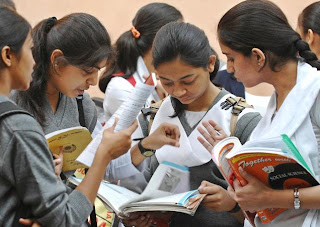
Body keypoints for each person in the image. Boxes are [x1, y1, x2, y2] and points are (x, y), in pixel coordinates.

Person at [0, 5, 138, 227]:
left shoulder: (84, 107)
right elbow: (63, 218)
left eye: (98, 72)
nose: (93, 81)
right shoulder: (15, 117)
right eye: (87, 71)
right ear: (57, 60)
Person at [126, 21, 262, 227]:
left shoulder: (241, 120)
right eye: (167, 82)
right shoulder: (152, 117)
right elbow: (132, 187)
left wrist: (232, 205)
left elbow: (270, 209)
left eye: (187, 81)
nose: (178, 91)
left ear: (210, 63)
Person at [199, 0, 320, 226]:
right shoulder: (277, 100)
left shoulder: (315, 92)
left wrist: (269, 197)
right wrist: (233, 156)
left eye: (231, 57)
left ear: (258, 57)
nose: (229, 68)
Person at [99, 2, 183, 122]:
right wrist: (169, 100)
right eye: (177, 37)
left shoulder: (164, 76)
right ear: (158, 41)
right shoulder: (121, 87)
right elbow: (146, 134)